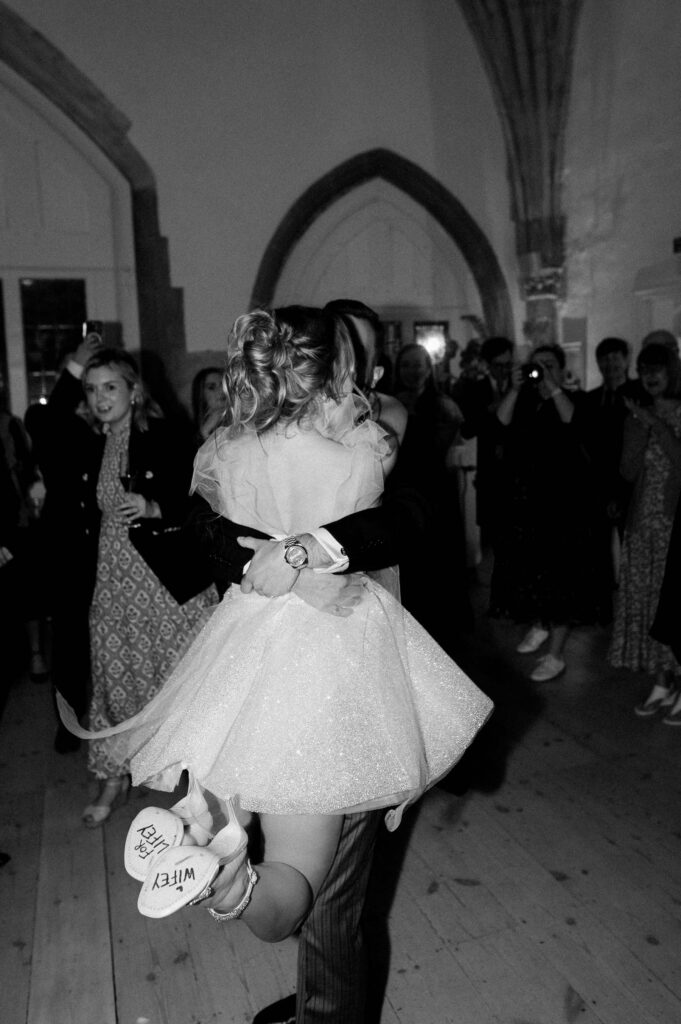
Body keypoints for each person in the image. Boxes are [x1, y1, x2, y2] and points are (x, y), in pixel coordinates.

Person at [60, 306, 492, 1022]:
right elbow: (395, 517)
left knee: (248, 798)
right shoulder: (364, 446)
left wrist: (258, 549)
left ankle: (215, 852)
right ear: (336, 366)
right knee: (302, 877)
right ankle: (235, 883)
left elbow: (207, 532)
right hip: (335, 652)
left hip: (244, 648)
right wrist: (310, 545)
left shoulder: (225, 450)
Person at [48, 344, 216, 825]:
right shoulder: (86, 439)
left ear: (134, 390)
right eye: (91, 388)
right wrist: (73, 366)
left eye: (111, 387)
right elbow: (47, 424)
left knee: (180, 680)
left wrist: (155, 507)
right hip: (111, 580)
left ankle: (198, 782)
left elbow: (205, 500)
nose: (101, 398)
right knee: (113, 678)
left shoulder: (165, 435)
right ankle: (113, 776)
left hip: (165, 582)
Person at [489, 344, 602, 681]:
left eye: (549, 364)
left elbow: (574, 421)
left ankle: (556, 655)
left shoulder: (574, 398)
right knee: (534, 571)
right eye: (536, 365)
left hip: (565, 505)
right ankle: (540, 624)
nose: (541, 370)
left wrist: (552, 385)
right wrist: (514, 386)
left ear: (562, 369)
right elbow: (500, 423)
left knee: (563, 578)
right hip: (527, 503)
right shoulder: (523, 399)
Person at [608, 341, 681, 718]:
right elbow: (627, 472)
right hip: (642, 525)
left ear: (672, 372)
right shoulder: (638, 415)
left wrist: (655, 422)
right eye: (644, 368)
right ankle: (662, 681)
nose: (650, 376)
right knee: (648, 603)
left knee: (674, 606)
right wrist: (636, 426)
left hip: (673, 525)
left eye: (658, 368)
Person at [580, 337, 638, 615]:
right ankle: (602, 607)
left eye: (616, 358)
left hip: (634, 486)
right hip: (599, 486)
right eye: (605, 359)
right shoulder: (590, 400)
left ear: (627, 360)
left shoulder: (640, 397)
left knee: (634, 549)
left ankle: (635, 608)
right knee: (598, 549)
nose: (611, 364)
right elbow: (587, 447)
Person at [451, 335, 514, 549]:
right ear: (487, 365)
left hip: (516, 471)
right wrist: (490, 409)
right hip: (489, 471)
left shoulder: (520, 387)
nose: (504, 370)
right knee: (491, 537)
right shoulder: (475, 390)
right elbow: (467, 430)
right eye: (499, 365)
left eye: (508, 365)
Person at [191, 365, 225, 443]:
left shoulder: (242, 421)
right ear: (201, 395)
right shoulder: (188, 430)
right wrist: (204, 432)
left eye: (223, 384)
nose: (221, 390)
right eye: (212, 387)